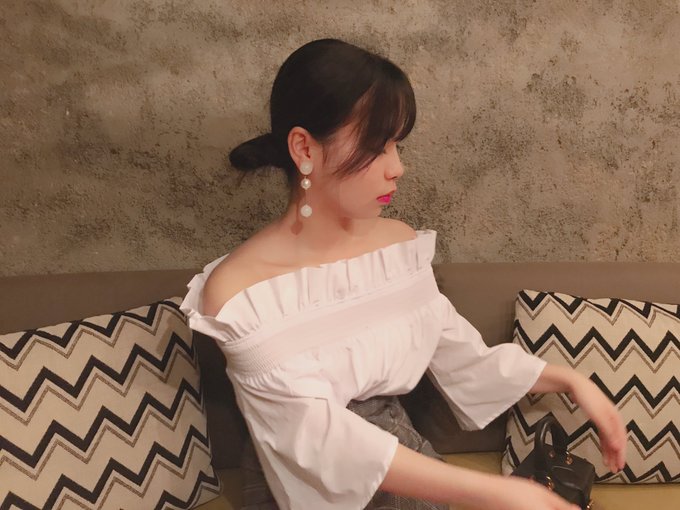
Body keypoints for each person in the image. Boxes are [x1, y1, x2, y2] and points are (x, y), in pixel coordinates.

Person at [179, 38, 627, 510]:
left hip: (402, 461)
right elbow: (321, 439)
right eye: (377, 146)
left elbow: (464, 356)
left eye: (397, 144)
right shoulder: (239, 294)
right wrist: (497, 492)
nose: (398, 168)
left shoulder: (395, 249)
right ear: (304, 147)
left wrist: (573, 381)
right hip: (303, 485)